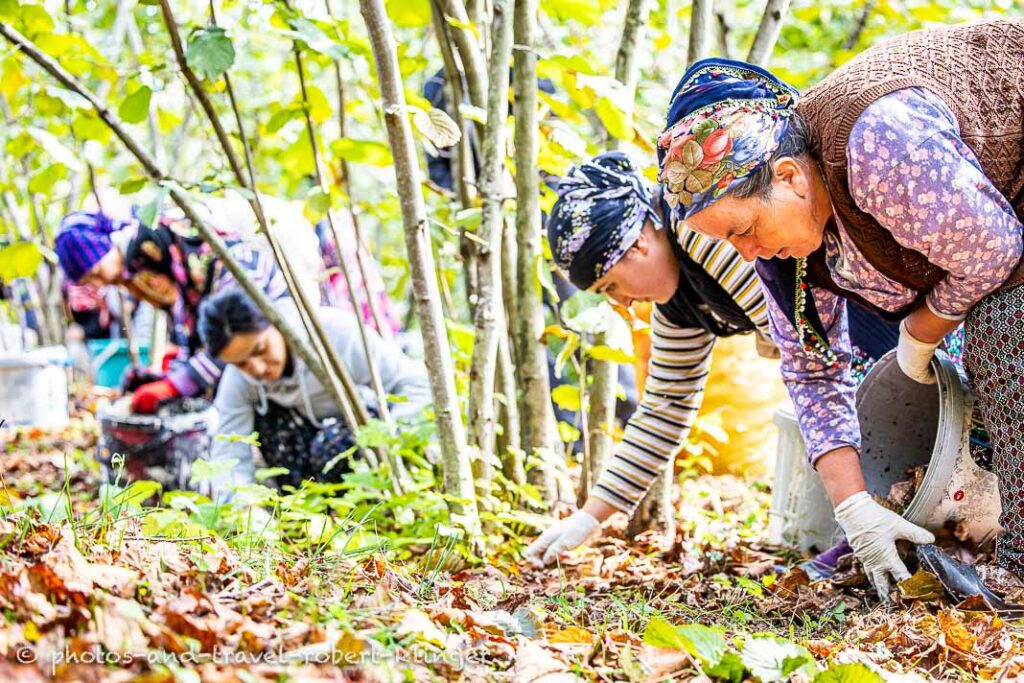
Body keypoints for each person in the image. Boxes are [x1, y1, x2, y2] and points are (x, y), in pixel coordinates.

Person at [653, 18, 1024, 596]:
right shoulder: (788, 255)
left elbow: (995, 251)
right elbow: (809, 369)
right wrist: (854, 508)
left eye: (745, 228)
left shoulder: (876, 146)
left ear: (789, 177)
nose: (747, 251)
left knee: (1000, 336)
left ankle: (1018, 570)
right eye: (730, 242)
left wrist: (922, 331)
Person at [524, 152, 898, 568]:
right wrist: (588, 518)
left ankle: (884, 528)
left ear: (637, 243)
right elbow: (665, 409)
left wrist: (772, 334)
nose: (622, 303)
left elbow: (802, 348)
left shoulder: (700, 232)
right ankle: (875, 531)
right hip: (835, 340)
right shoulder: (677, 301)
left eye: (611, 286)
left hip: (868, 312)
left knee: (873, 408)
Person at [196, 288, 431, 498]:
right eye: (242, 364)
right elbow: (229, 451)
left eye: (260, 349)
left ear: (275, 323)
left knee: (329, 448)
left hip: (362, 438)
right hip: (301, 445)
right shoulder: (239, 379)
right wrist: (241, 509)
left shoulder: (337, 334)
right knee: (270, 423)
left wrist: (395, 445)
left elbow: (415, 385)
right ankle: (310, 511)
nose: (256, 369)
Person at [55, 208, 290, 413]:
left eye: (96, 273)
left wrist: (175, 385)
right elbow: (202, 353)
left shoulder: (235, 268)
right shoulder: (187, 293)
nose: (101, 285)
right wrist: (161, 380)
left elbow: (233, 348)